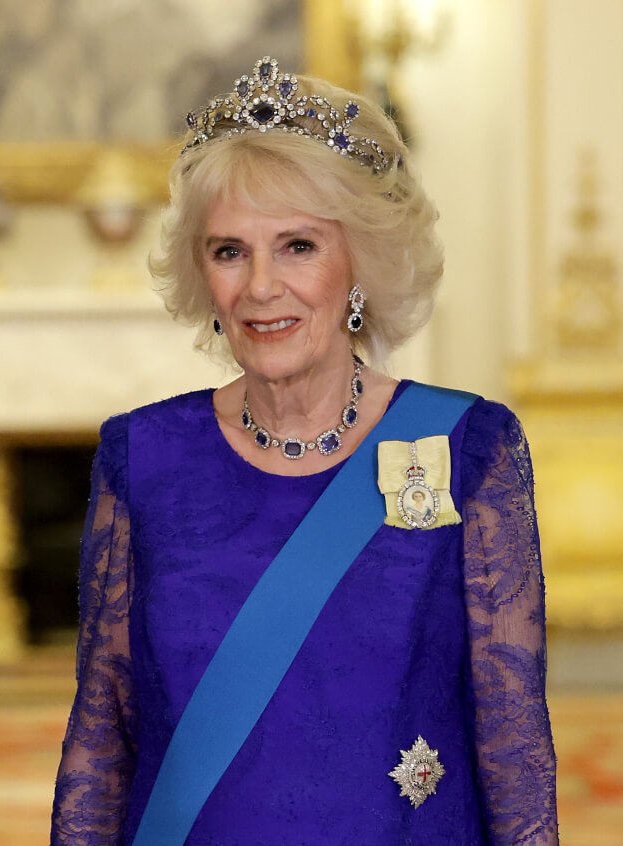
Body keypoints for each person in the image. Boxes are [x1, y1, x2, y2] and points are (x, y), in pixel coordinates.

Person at [51, 56, 557, 844]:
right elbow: (101, 736)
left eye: (297, 246)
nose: (260, 287)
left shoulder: (468, 449)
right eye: (229, 251)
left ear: (360, 261)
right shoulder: (143, 457)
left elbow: (515, 754)